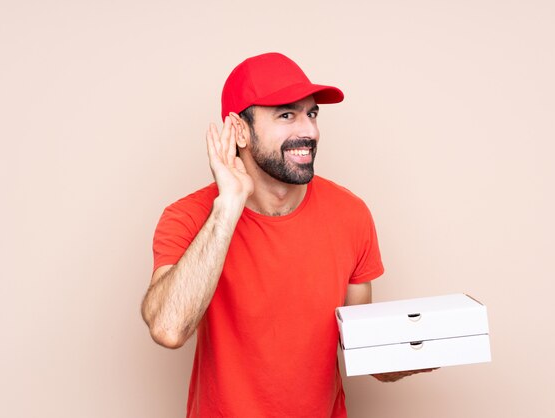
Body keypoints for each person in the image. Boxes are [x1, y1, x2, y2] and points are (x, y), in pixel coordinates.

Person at [141, 52, 433, 418]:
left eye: (311, 114)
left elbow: (361, 347)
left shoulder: (351, 215)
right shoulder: (188, 217)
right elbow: (169, 328)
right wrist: (229, 204)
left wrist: (414, 354)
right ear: (240, 131)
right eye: (286, 115)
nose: (308, 131)